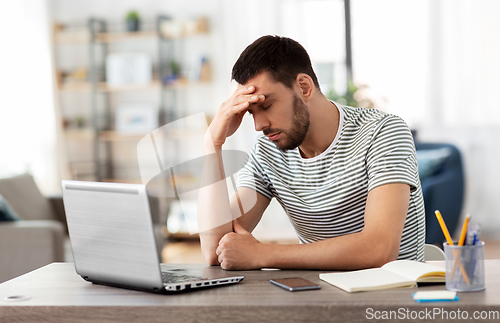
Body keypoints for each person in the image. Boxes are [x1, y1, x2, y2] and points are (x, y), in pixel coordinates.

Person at [198, 35, 425, 271]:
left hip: (392, 299)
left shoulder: (383, 131)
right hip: (316, 297)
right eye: (251, 112)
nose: (259, 125)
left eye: (266, 106)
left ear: (304, 87)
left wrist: (263, 253)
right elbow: (216, 249)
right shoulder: (268, 151)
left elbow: (380, 249)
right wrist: (212, 144)